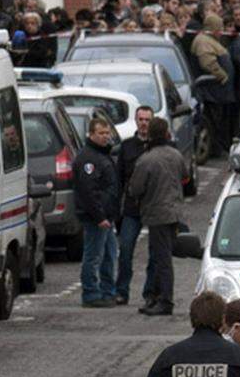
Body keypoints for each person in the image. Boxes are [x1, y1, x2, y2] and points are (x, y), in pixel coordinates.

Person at [126, 117, 187, 317]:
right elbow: (185, 177)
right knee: (163, 255)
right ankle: (156, 296)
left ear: (150, 135)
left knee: (162, 259)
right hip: (174, 211)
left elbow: (135, 188)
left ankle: (165, 300)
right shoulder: (176, 155)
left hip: (157, 214)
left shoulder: (147, 159)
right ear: (167, 133)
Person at [72, 114, 120, 309]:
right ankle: (91, 293)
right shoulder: (88, 159)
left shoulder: (103, 154)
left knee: (109, 254)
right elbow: (88, 192)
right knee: (93, 256)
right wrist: (99, 217)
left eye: (107, 132)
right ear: (91, 134)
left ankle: (108, 291)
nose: (105, 136)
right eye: (101, 133)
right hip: (96, 218)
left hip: (106, 216)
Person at [115, 103, 154, 308]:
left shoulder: (159, 145)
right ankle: (121, 291)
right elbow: (119, 178)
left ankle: (149, 292)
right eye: (141, 119)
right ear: (136, 120)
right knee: (126, 248)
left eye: (148, 120)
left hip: (153, 206)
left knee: (155, 253)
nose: (144, 124)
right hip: (132, 206)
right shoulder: (127, 146)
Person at [191, 11, 238, 155]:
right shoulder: (203, 41)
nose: (222, 31)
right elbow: (208, 62)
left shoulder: (207, 40)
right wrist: (222, 75)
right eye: (220, 28)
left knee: (218, 121)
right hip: (212, 92)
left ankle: (219, 147)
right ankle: (216, 149)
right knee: (214, 122)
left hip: (217, 92)